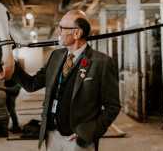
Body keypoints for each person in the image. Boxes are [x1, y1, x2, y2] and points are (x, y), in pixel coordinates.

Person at [10, 10, 121, 151]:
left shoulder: (102, 63)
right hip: (51, 135)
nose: (58, 31)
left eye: (62, 28)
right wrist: (10, 64)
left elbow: (113, 107)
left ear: (77, 33)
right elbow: (32, 84)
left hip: (78, 141)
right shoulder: (56, 56)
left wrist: (89, 132)